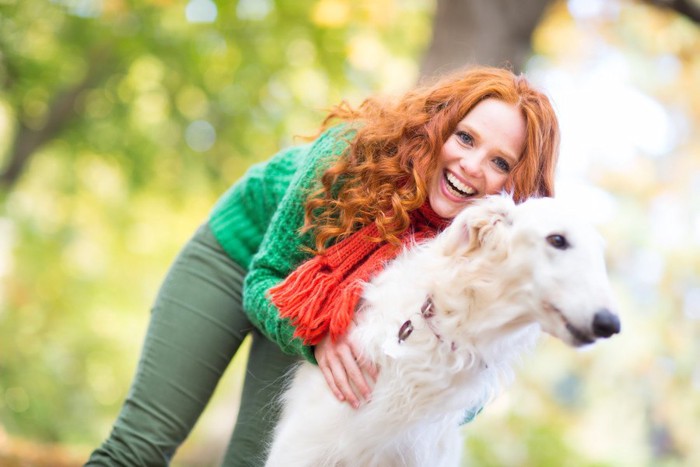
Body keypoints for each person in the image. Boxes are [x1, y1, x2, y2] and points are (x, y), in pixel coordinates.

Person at [86, 65, 560, 466]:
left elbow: (470, 385)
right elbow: (265, 278)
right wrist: (318, 339)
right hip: (241, 260)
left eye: (500, 161)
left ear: (517, 185)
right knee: (139, 448)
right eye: (464, 137)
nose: (472, 165)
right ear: (438, 125)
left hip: (334, 313)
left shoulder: (486, 255)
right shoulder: (352, 155)